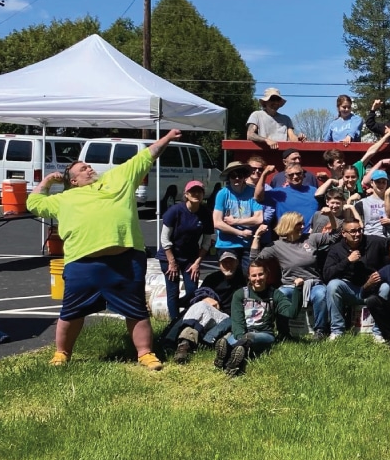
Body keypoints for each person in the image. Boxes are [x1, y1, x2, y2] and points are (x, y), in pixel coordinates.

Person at [27, 128, 184, 370]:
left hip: (125, 260)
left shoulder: (118, 178)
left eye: (88, 166)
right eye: (82, 169)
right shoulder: (64, 199)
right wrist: (48, 180)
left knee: (136, 309)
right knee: (71, 311)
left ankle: (145, 353)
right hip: (82, 263)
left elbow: (146, 155)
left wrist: (167, 138)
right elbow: (33, 202)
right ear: (73, 181)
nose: (89, 168)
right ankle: (62, 354)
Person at [250, 212, 339, 339]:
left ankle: (320, 331)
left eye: (303, 224)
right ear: (289, 225)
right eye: (299, 224)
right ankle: (283, 332)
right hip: (290, 285)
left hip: (312, 283)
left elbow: (334, 236)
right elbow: (255, 260)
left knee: (321, 294)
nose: (303, 226)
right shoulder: (277, 246)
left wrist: (331, 216)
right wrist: (257, 236)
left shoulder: (311, 238)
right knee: (281, 295)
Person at [215, 262, 304, 376]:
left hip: (264, 334)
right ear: (249, 277)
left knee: (247, 339)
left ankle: (232, 359)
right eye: (254, 275)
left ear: (267, 274)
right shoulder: (240, 294)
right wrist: (240, 337)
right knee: (230, 341)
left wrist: (298, 289)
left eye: (260, 274)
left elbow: (292, 313)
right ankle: (227, 358)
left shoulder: (275, 294)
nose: (257, 279)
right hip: (242, 333)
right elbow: (237, 322)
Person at [171, 251, 246, 364]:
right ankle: (184, 345)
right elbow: (198, 294)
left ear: (237, 263)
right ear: (219, 264)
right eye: (224, 262)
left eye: (231, 262)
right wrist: (205, 297)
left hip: (232, 319)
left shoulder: (245, 279)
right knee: (200, 305)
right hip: (213, 315)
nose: (228, 265)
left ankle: (219, 351)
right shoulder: (212, 278)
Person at [322, 219, 390, 338]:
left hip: (372, 289)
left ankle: (379, 332)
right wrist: (347, 261)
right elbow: (327, 274)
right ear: (344, 233)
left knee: (385, 287)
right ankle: (337, 331)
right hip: (350, 289)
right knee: (333, 285)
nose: (358, 234)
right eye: (353, 231)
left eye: (360, 230)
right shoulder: (336, 249)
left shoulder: (374, 242)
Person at [157, 180, 213, 322]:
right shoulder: (175, 211)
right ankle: (175, 323)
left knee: (193, 290)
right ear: (186, 194)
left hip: (190, 257)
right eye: (192, 191)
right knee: (173, 291)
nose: (196, 194)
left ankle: (189, 320)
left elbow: (207, 241)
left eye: (199, 191)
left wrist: (197, 263)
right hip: (169, 255)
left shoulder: (206, 213)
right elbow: (164, 238)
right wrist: (171, 262)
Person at [212, 161, 264, 277]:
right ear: (228, 178)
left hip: (247, 245)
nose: (236, 179)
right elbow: (217, 222)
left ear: (244, 177)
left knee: (248, 276)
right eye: (233, 176)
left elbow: (259, 218)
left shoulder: (252, 192)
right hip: (226, 244)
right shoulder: (223, 194)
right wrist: (240, 232)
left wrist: (235, 221)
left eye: (239, 176)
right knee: (229, 277)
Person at [256, 163, 319, 234]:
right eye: (291, 175)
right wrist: (264, 174)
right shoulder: (279, 193)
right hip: (287, 237)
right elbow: (258, 197)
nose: (295, 177)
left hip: (311, 237)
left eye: (298, 173)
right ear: (286, 178)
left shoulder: (314, 191)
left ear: (303, 175)